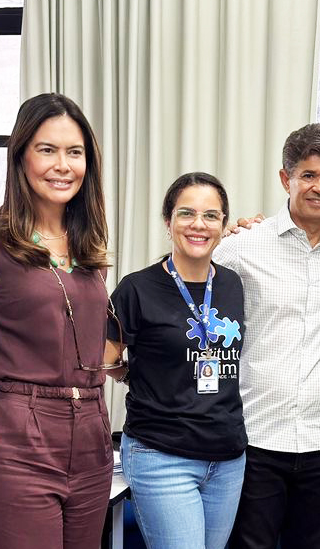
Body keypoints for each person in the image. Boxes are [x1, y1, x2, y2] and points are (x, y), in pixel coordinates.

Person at [0, 92, 114, 549]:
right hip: (14, 437)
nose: (63, 165)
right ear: (20, 155)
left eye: (75, 152)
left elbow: (86, 342)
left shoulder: (89, 245)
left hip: (91, 432)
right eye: (47, 149)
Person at [214, 123, 320, 549]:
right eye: (308, 175)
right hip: (256, 436)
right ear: (286, 178)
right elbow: (188, 287)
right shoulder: (242, 245)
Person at [105, 172, 247, 549]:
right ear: (168, 222)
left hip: (228, 458)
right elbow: (105, 360)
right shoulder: (136, 289)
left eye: (211, 215)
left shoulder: (232, 284)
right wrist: (135, 376)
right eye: (186, 213)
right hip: (162, 455)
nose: (198, 224)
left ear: (223, 225)